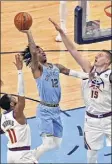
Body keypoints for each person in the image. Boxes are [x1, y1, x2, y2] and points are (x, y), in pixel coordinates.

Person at [19, 29, 89, 161]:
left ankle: (33, 154)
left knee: (56, 144)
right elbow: (33, 51)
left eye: (42, 51)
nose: (42, 52)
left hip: (56, 109)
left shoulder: (56, 66)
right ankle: (31, 159)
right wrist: (29, 33)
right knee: (48, 143)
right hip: (44, 110)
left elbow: (72, 73)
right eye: (39, 52)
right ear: (34, 57)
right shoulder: (37, 69)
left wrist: (87, 76)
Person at [49, 18, 112, 163]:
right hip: (91, 121)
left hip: (109, 118)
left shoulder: (109, 75)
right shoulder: (88, 70)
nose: (97, 56)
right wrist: (62, 33)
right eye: (97, 54)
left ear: (108, 62)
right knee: (91, 156)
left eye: (101, 55)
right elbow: (73, 50)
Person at [0, 54, 38, 163]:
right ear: (12, 103)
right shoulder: (17, 113)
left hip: (10, 155)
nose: (14, 96)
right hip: (23, 155)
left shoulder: (3, 118)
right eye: (12, 97)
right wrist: (20, 71)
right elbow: (21, 95)